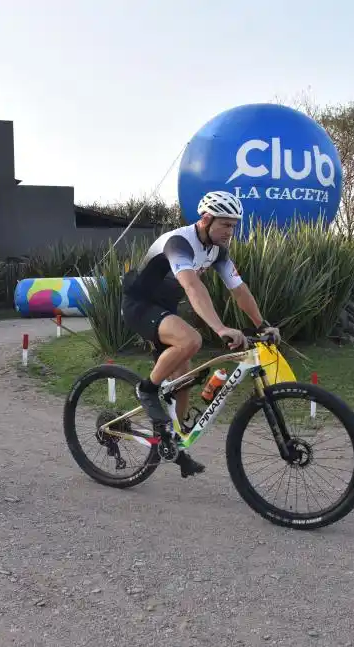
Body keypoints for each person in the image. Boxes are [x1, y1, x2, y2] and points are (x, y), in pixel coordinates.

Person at [121, 190, 280, 478]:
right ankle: (146, 389)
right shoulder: (179, 242)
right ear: (206, 219)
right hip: (139, 305)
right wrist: (219, 328)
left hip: (165, 308)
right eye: (225, 225)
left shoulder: (218, 250)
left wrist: (261, 324)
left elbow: (239, 290)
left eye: (234, 226)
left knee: (183, 381)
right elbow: (193, 286)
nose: (230, 232)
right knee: (191, 339)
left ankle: (173, 442)